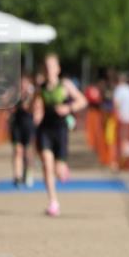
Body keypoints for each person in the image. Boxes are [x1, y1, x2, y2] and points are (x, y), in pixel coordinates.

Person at [32, 54, 87, 217]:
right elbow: (35, 106)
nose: (49, 70)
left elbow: (82, 101)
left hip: (60, 130)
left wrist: (68, 108)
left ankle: (62, 168)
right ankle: (53, 202)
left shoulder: (65, 85)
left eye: (52, 67)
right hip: (44, 130)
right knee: (46, 165)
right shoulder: (40, 88)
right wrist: (35, 113)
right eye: (46, 67)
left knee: (58, 169)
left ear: (58, 69)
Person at [9, 72, 36, 187]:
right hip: (17, 125)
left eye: (24, 82)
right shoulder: (14, 94)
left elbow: (29, 107)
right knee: (18, 151)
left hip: (28, 124)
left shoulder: (32, 94)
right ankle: (17, 176)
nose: (22, 85)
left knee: (28, 152)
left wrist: (28, 97)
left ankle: (28, 173)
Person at [112, 72, 129, 169]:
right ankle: (128, 163)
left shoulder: (119, 89)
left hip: (121, 118)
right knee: (128, 140)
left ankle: (121, 163)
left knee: (121, 141)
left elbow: (116, 104)